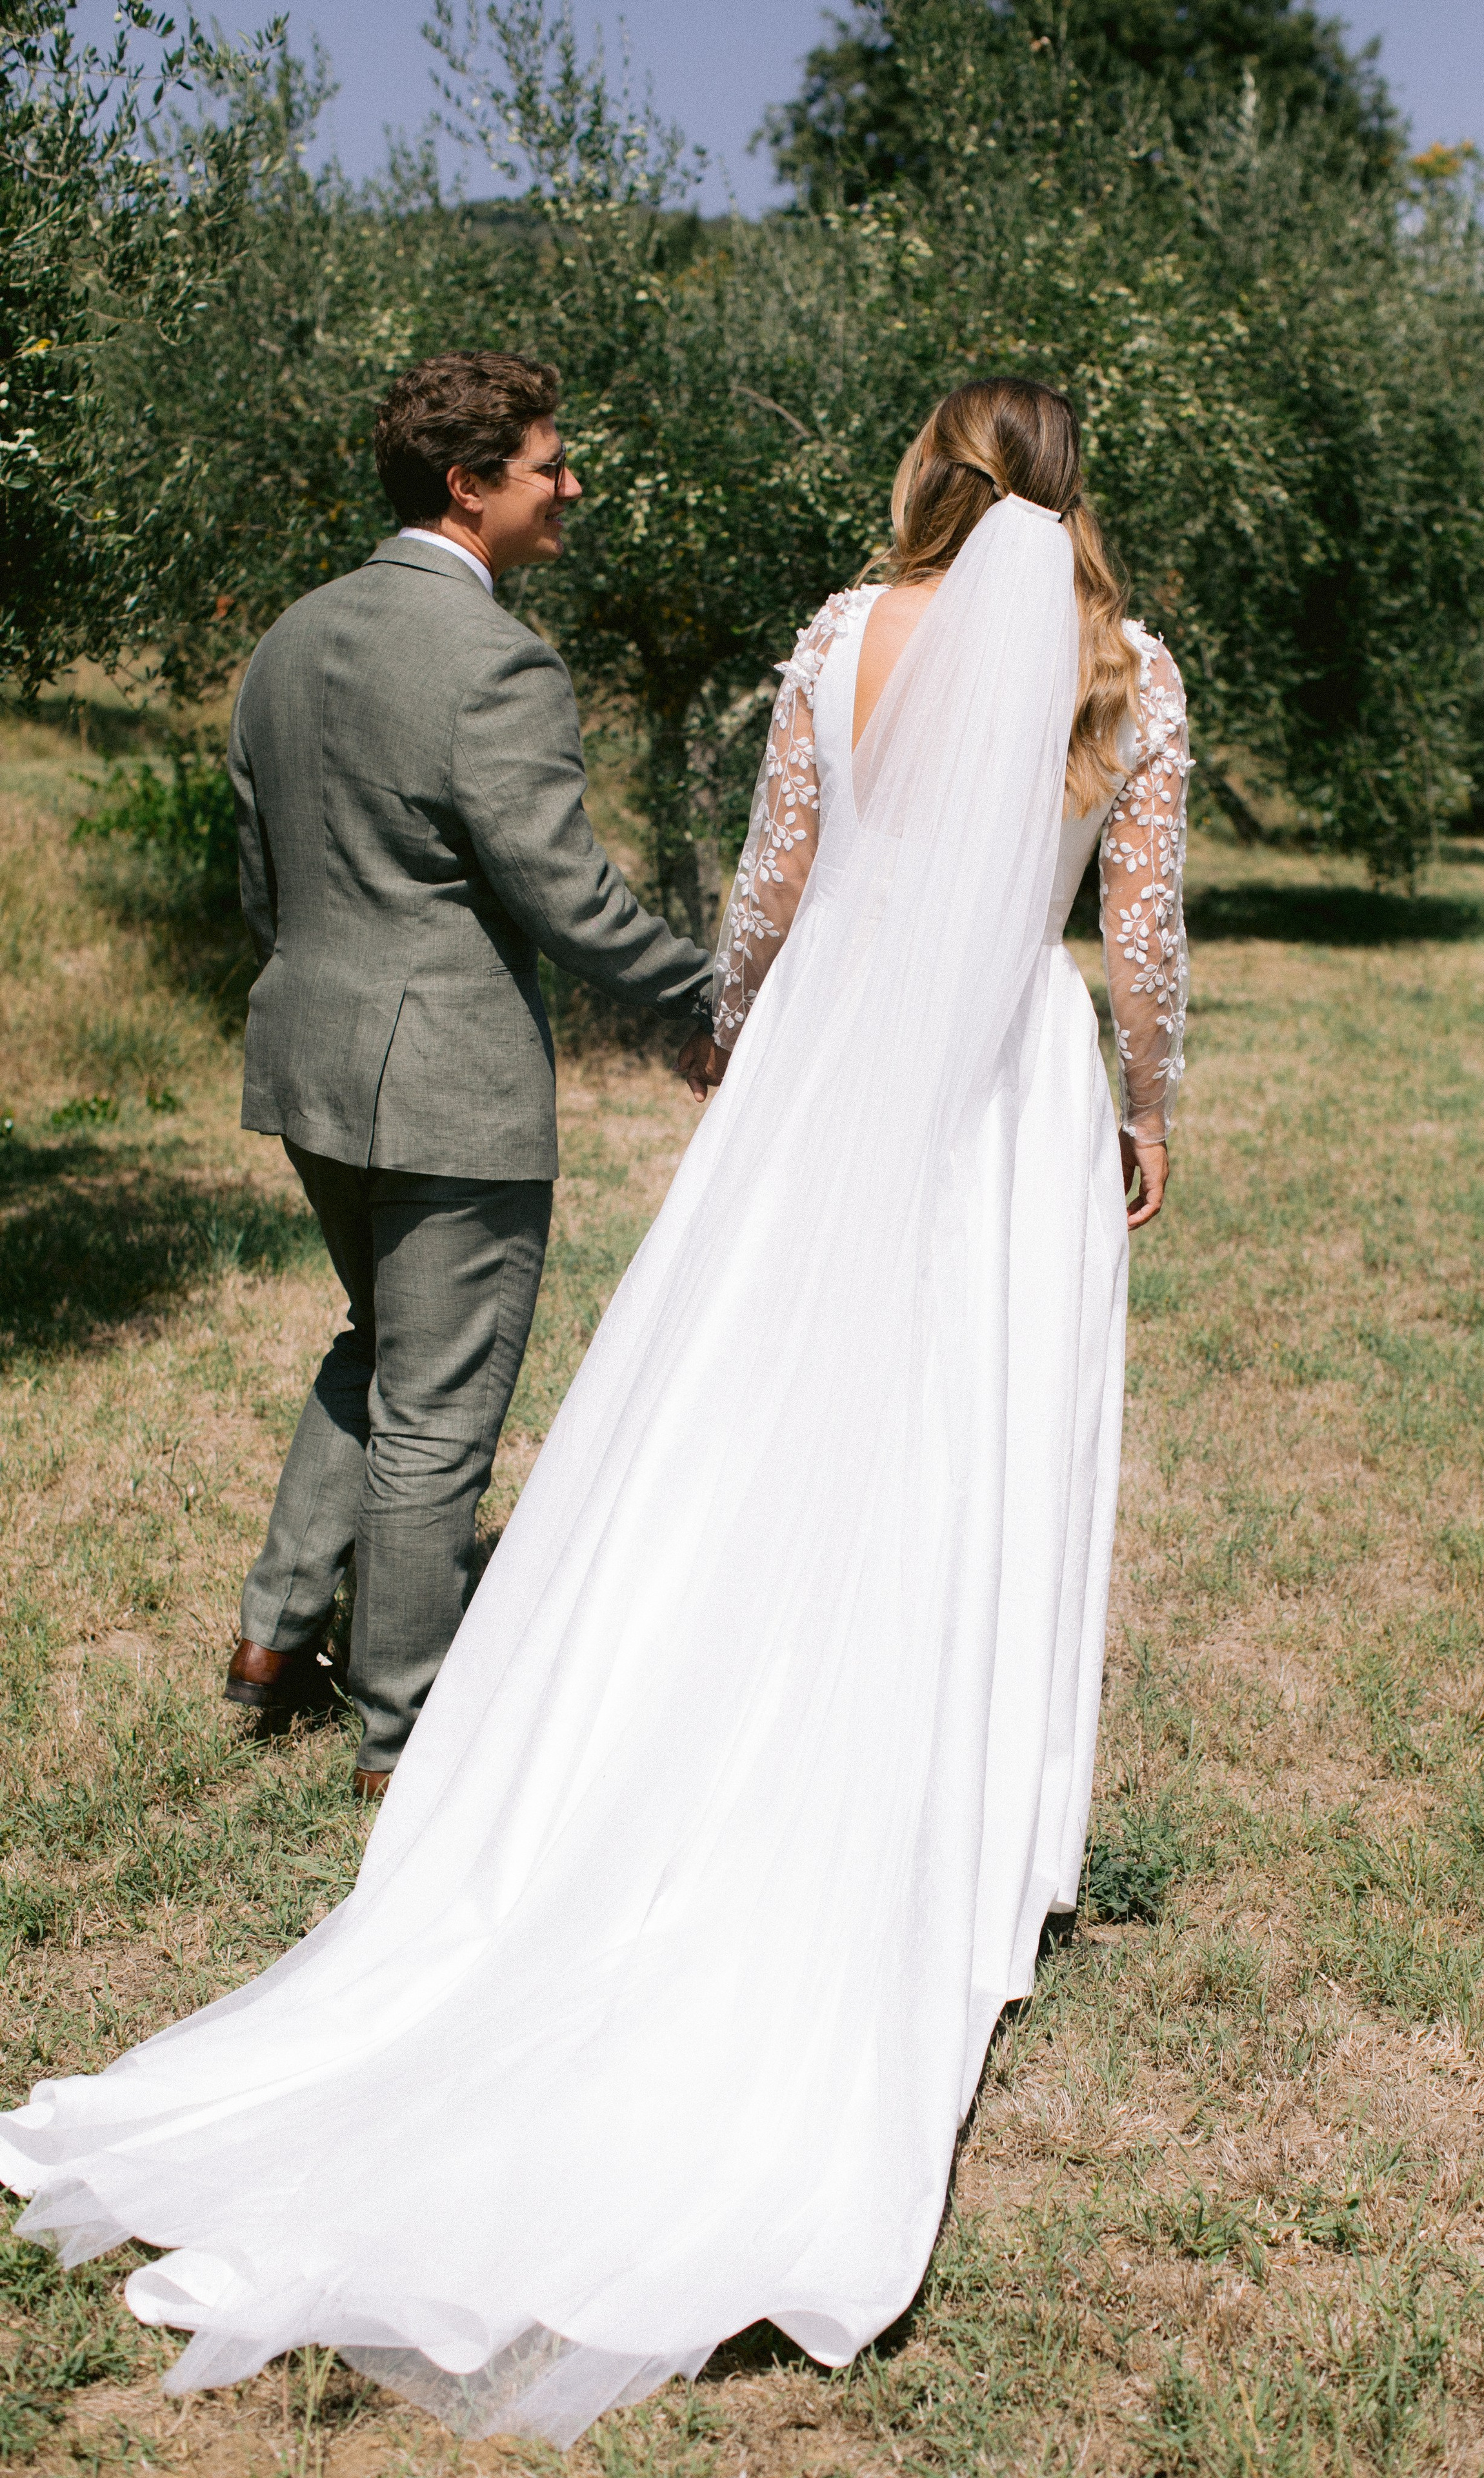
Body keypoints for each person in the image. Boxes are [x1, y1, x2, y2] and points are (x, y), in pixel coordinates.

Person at [0, 379, 1188, 2445]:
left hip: (820, 1076)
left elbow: (769, 884)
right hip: (1010, 1091)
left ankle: (638, 1732)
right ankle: (954, 1831)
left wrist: (746, 1035)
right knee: (963, 1447)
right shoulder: (1127, 663)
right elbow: (1145, 936)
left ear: (924, 474)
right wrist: (1148, 1102)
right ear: (1075, 489)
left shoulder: (836, 637)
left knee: (733, 1433)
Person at [220, 351, 716, 1795]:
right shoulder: (495, 658)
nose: (572, 488)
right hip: (446, 1084)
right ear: (468, 485)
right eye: (550, 465)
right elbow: (563, 891)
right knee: (438, 1405)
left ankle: (270, 1642)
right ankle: (404, 1739)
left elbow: (264, 881)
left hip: (307, 1055)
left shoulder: (288, 638)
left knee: (378, 1346)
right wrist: (703, 996)